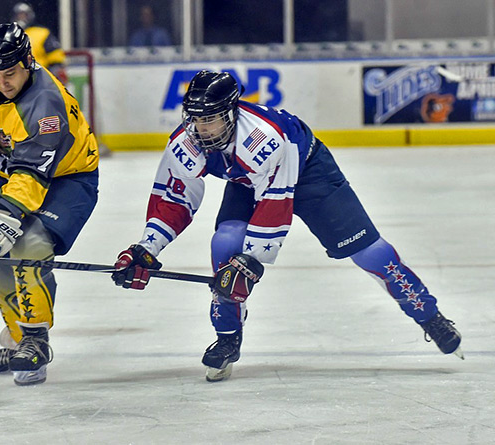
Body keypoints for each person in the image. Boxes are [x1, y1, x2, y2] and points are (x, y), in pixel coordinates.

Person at [112, 70, 463, 382]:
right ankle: (227, 336)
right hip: (249, 180)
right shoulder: (186, 140)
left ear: (231, 114)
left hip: (310, 172)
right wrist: (146, 248)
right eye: (195, 120)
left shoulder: (264, 138)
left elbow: (276, 202)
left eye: (212, 120)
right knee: (225, 243)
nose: (201, 130)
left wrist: (250, 262)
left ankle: (428, 314)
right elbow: (174, 198)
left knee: (370, 252)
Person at [0, 22, 100, 385]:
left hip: (69, 179)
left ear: (28, 62)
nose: (2, 82)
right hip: (18, 173)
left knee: (28, 243)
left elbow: (33, 173)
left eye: (11, 73)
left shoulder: (45, 105)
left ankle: (37, 340)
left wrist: (5, 219)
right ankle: (19, 340)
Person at [12, 2, 69, 84]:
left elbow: (56, 56)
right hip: (17, 80)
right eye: (19, 15)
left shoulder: (42, 33)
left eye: (24, 15)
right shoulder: (10, 36)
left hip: (40, 78)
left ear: (30, 16)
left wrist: (53, 73)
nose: (21, 18)